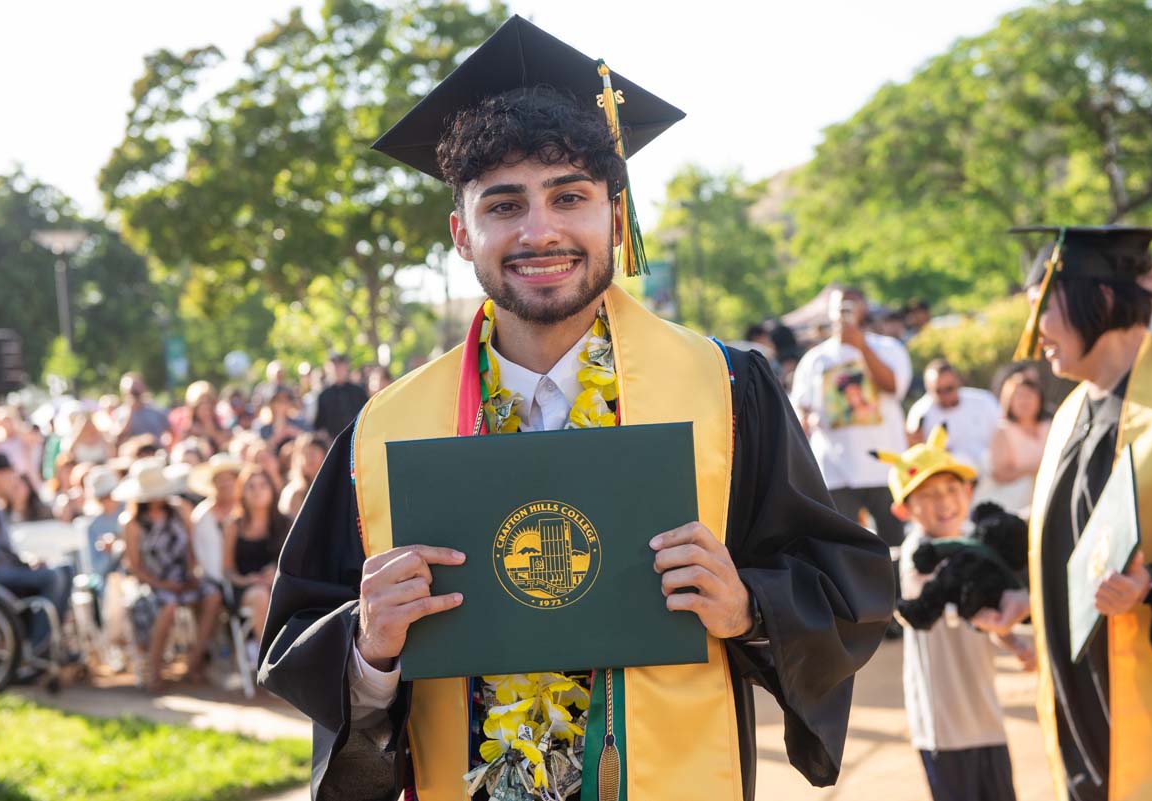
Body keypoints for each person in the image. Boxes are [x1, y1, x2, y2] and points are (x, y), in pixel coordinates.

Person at [258, 17, 894, 801]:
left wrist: (750, 606)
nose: (540, 230)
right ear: (461, 232)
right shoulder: (384, 433)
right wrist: (369, 648)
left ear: (615, 220)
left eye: (570, 196)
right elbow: (300, 635)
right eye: (503, 206)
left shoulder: (727, 392)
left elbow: (845, 588)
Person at [975, 226, 1152, 801]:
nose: (1034, 336)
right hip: (1080, 701)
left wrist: (1149, 587)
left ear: (1099, 298)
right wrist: (1034, 597)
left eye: (1041, 310)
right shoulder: (1071, 413)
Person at [877, 426, 1029, 801]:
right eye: (927, 495)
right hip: (943, 726)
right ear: (903, 509)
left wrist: (1010, 638)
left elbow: (985, 600)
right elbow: (954, 601)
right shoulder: (918, 554)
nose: (943, 502)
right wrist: (999, 619)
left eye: (950, 489)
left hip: (985, 716)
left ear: (968, 492)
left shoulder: (973, 546)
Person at [790, 286, 913, 555]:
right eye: (840, 306)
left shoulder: (888, 348)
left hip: (885, 467)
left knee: (894, 544)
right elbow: (799, 407)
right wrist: (805, 420)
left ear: (864, 310)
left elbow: (893, 387)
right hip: (836, 470)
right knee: (843, 549)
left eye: (851, 305)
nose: (845, 312)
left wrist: (861, 347)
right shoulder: (815, 359)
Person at [117, 457, 222, 692]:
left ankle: (195, 661)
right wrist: (163, 584)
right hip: (152, 582)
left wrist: (193, 571)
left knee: (212, 596)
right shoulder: (132, 523)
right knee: (169, 605)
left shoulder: (179, 510)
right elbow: (134, 567)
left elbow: (192, 547)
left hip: (182, 576)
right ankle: (154, 669)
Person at [0, 453, 72, 647]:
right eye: (10, 472)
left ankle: (52, 642)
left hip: (7, 568)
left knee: (66, 568)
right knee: (52, 577)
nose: (15, 477)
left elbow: (6, 550)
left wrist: (27, 563)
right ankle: (36, 646)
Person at [222, 466, 287, 643]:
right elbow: (228, 569)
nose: (257, 491)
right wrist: (248, 580)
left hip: (279, 583)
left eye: (263, 485)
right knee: (260, 595)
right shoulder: (233, 525)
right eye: (251, 486)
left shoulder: (286, 522)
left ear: (272, 489)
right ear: (242, 492)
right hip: (245, 587)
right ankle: (266, 659)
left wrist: (276, 572)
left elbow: (296, 562)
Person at [906, 360, 1001, 472]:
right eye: (938, 391)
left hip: (990, 472)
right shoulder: (920, 411)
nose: (945, 395)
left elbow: (1002, 436)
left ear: (959, 382)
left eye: (949, 388)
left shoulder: (984, 401)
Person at [981, 373, 1052, 516]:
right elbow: (1000, 473)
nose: (1025, 401)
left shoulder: (1050, 426)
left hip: (1048, 491)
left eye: (1029, 395)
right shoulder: (1003, 432)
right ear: (1009, 401)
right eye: (1019, 396)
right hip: (1015, 501)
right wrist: (1036, 470)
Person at [188, 454, 244, 590]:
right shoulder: (202, 515)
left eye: (230, 479)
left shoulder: (247, 509)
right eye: (220, 479)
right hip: (213, 580)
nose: (225, 484)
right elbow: (200, 553)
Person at [312, 353, 369, 443]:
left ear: (347, 367)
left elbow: (367, 416)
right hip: (334, 442)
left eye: (340, 366)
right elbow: (319, 424)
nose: (337, 370)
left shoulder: (358, 392)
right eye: (334, 367)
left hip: (358, 440)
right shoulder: (324, 395)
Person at [113, 373, 169, 441]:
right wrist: (130, 411)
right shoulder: (119, 413)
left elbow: (170, 430)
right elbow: (117, 437)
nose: (135, 395)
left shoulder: (156, 410)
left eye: (136, 391)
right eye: (133, 392)